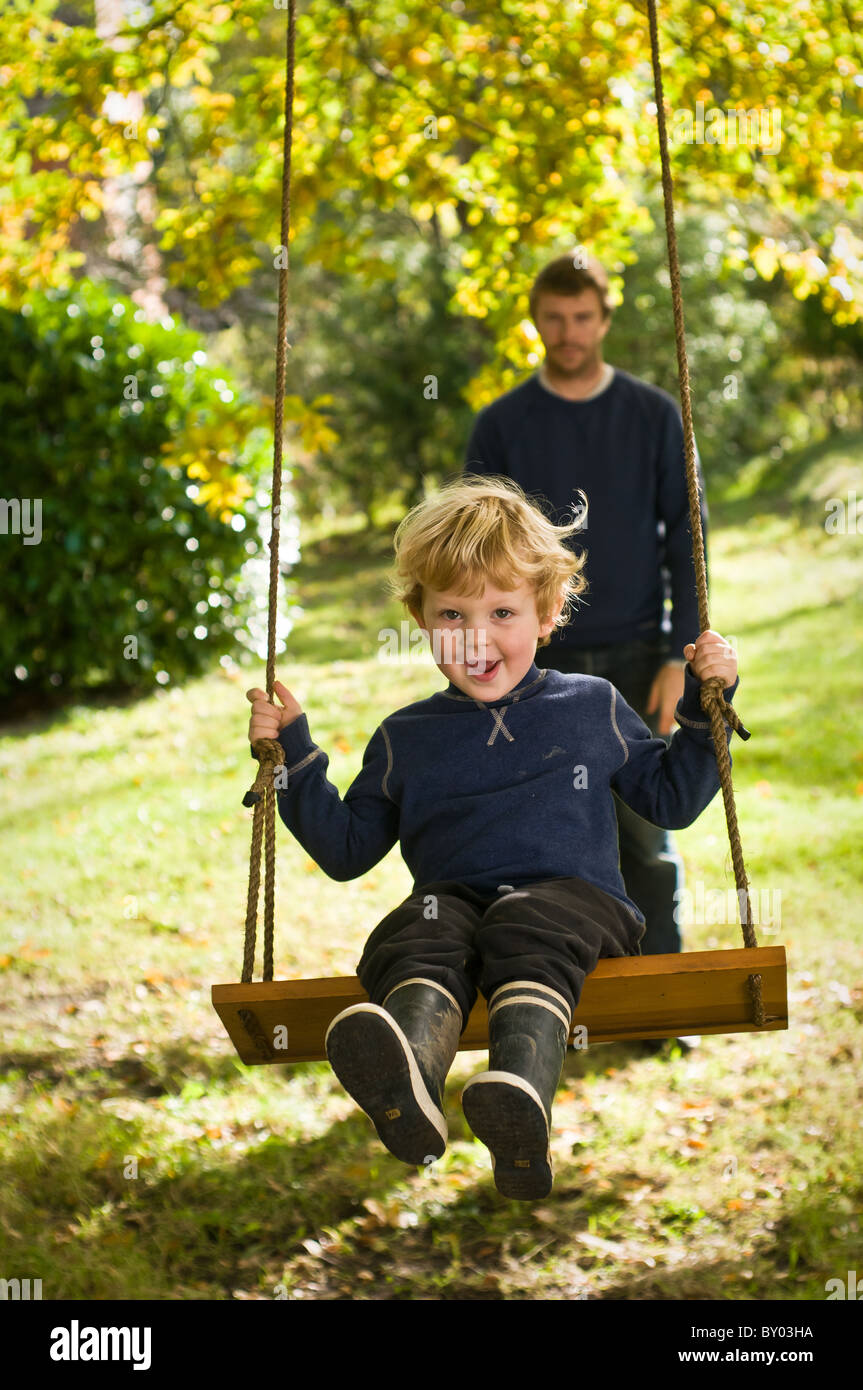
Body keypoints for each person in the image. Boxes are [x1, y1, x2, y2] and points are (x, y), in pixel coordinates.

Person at [246, 478, 740, 1200]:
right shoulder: (405, 738)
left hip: (578, 909)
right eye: (453, 614)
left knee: (523, 919)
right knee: (417, 929)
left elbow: (669, 800)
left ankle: (519, 1095)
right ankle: (408, 1075)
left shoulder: (589, 706)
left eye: (501, 611)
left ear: (545, 616)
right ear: (421, 618)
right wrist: (292, 758)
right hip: (455, 906)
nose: (477, 637)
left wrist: (707, 711)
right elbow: (346, 850)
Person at [462, 253, 708, 969]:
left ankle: (658, 1000)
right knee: (534, 837)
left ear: (603, 319)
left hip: (636, 656)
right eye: (553, 318)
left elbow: (688, 543)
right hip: (531, 664)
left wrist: (678, 656)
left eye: (581, 318)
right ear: (535, 321)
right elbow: (472, 559)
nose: (567, 332)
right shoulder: (502, 425)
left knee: (643, 838)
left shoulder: (652, 415)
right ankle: (548, 998)